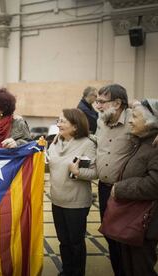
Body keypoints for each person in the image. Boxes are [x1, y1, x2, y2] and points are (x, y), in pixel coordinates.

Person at [94, 84, 158, 276]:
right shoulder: (103, 124)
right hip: (111, 192)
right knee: (116, 244)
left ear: (117, 103)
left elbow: (157, 182)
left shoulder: (157, 140)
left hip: (137, 205)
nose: (97, 106)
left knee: (139, 263)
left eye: (101, 101)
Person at [48, 108, 97, 276]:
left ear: (75, 126)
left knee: (75, 242)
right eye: (58, 120)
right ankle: (66, 271)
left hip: (76, 202)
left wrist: (78, 173)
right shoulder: (54, 142)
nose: (58, 124)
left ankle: (77, 273)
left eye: (63, 121)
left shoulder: (87, 144)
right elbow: (52, 165)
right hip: (57, 199)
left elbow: (96, 173)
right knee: (63, 242)